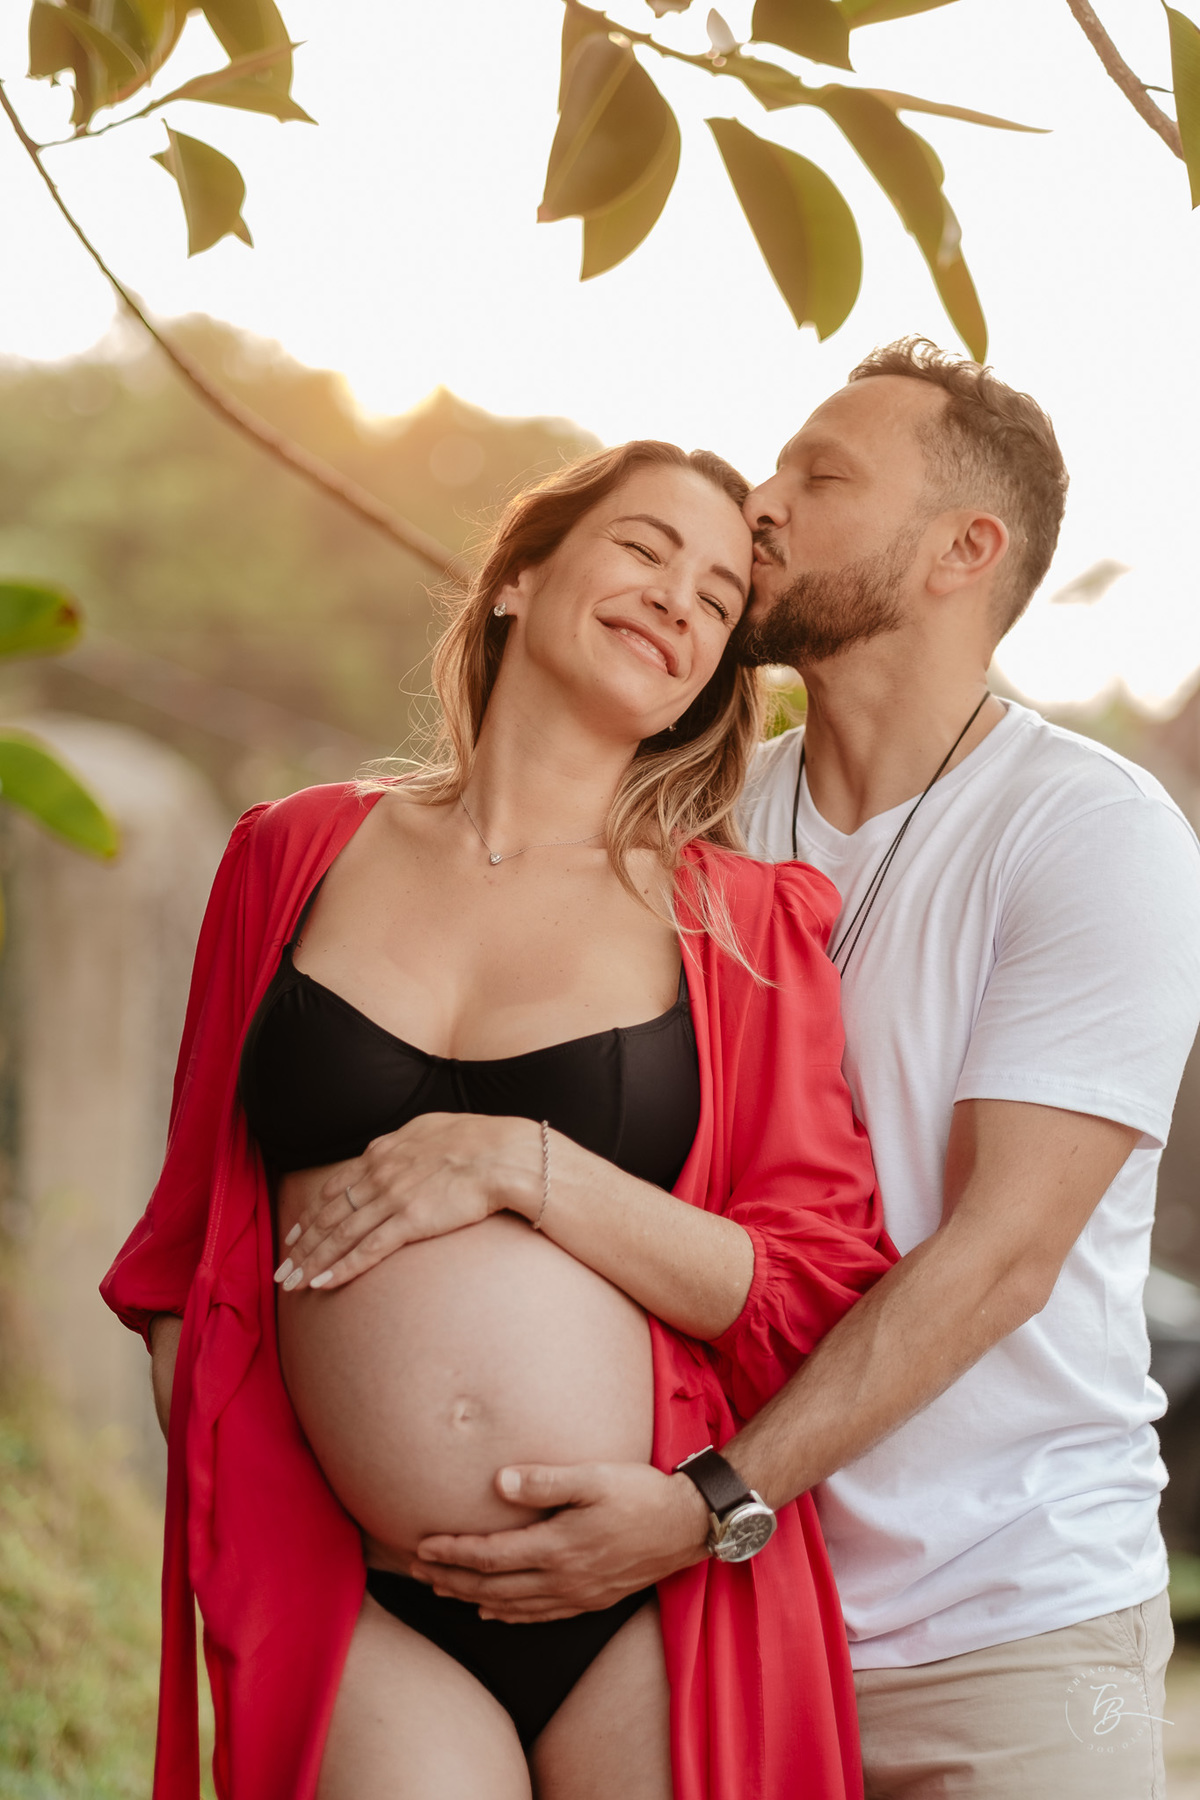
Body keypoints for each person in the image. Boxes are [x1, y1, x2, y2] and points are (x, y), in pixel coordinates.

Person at [408, 342, 1200, 1800]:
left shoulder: (1092, 835)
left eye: (822, 477)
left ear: (967, 550)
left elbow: (1001, 1256)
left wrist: (709, 1503)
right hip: (723, 1622)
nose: (759, 505)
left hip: (1002, 1628)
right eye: (774, 467)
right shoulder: (694, 832)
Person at [100, 439, 895, 1800]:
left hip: (646, 1595)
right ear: (521, 576)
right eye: (645, 549)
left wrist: (524, 1165)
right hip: (357, 1592)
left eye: (716, 600)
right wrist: (267, 1537)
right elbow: (191, 1240)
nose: (677, 602)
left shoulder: (742, 928)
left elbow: (806, 1289)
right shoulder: (290, 854)